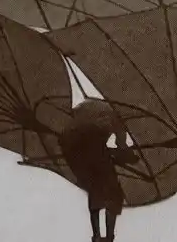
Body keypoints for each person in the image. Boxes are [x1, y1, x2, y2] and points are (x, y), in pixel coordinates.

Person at [58, 99, 139, 242]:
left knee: (96, 192)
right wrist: (130, 157)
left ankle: (97, 236)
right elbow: (121, 148)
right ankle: (107, 237)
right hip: (91, 154)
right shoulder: (114, 118)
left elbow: (112, 149)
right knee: (112, 194)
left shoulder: (90, 113)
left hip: (77, 153)